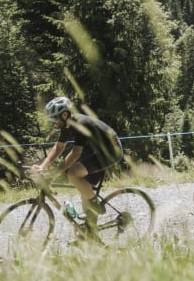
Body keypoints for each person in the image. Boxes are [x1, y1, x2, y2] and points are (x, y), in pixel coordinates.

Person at [31, 96, 124, 226]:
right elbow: (58, 148)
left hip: (111, 151)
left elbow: (75, 154)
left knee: (73, 174)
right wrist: (43, 166)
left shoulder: (80, 124)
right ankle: (91, 231)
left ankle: (96, 205)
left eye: (53, 118)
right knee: (84, 188)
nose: (52, 122)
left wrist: (54, 173)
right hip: (95, 151)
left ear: (64, 114)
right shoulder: (67, 124)